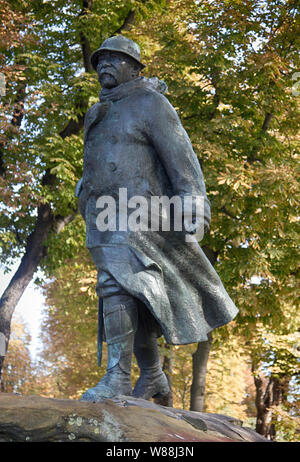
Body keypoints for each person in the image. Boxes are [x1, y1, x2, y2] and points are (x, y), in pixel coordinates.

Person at [75, 35, 238, 401]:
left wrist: (194, 204)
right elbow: (96, 159)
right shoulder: (96, 112)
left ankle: (117, 377)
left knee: (114, 285)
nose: (104, 65)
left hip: (142, 213)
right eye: (100, 59)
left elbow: (182, 159)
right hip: (103, 213)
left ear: (134, 67)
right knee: (136, 291)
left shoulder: (151, 103)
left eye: (115, 59)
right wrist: (84, 189)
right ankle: (151, 375)